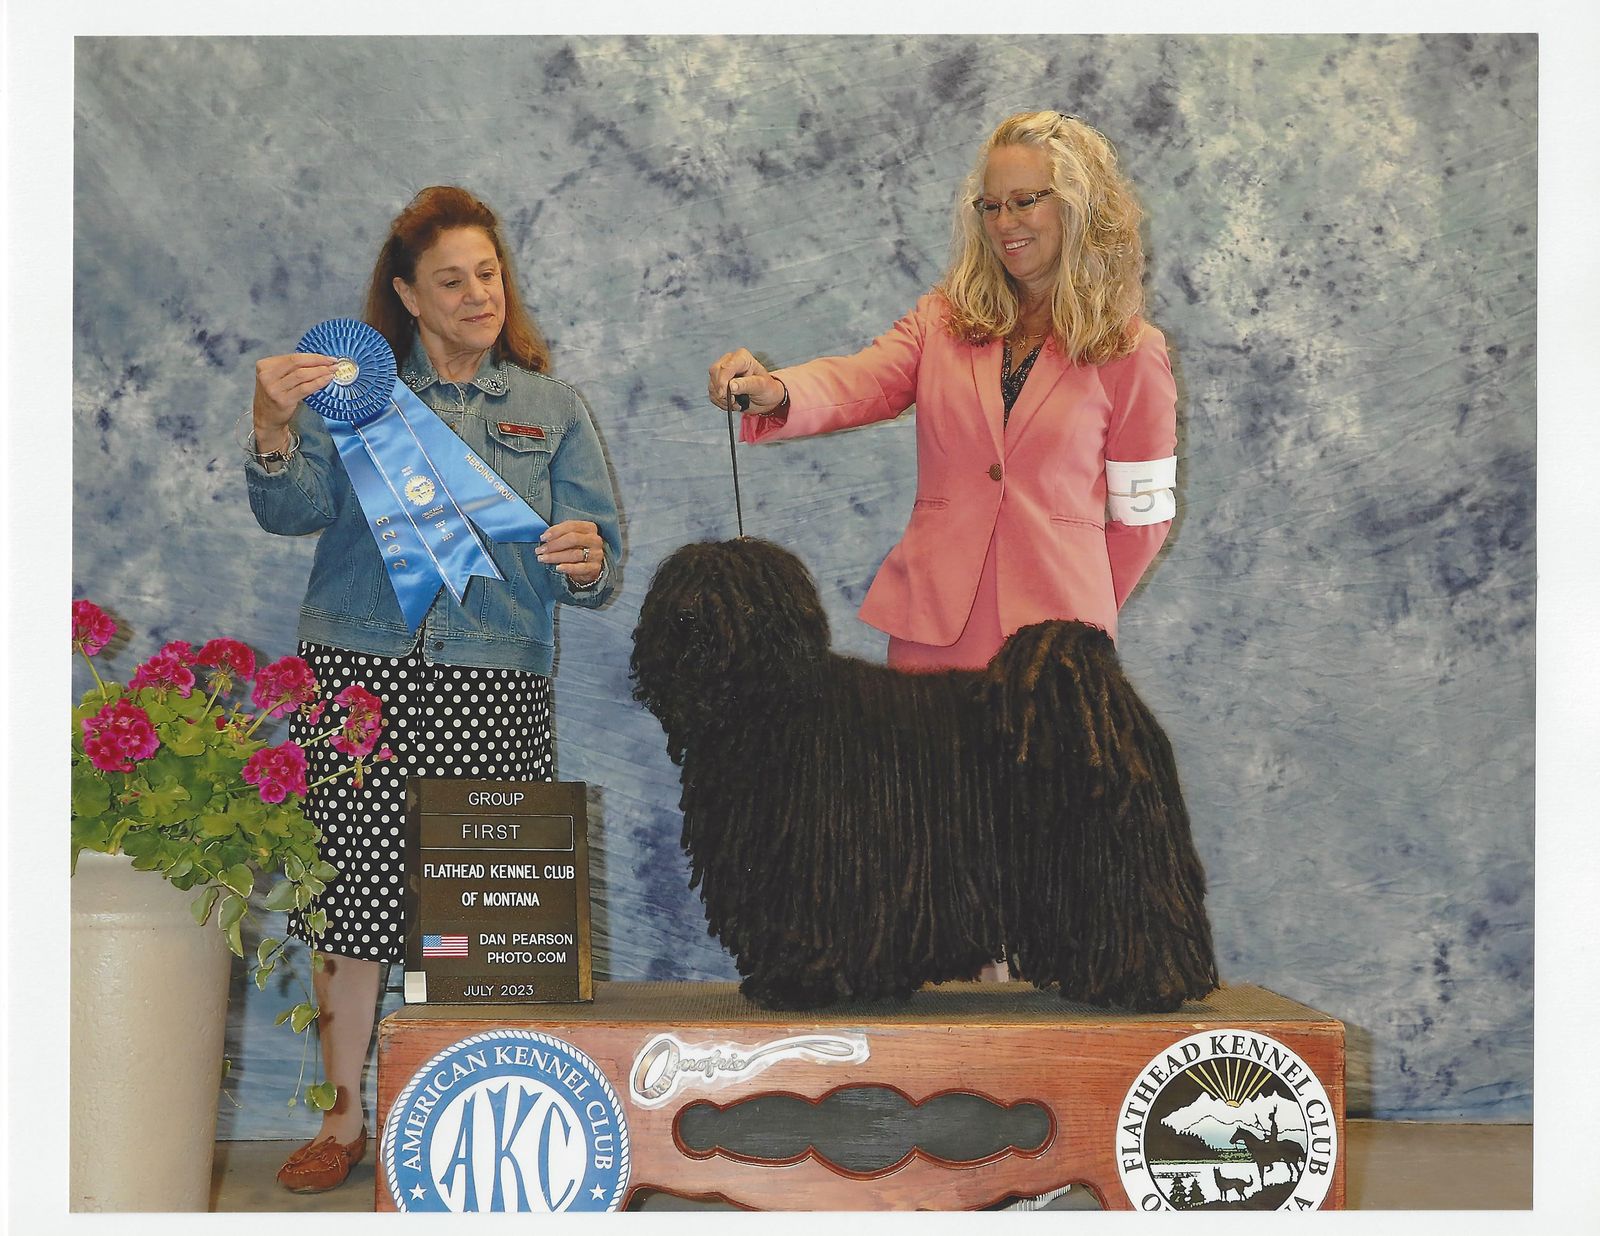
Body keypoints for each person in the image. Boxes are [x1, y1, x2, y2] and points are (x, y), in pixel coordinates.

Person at [707, 110, 1178, 984]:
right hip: (935, 636)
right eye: (991, 205)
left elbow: (1144, 515)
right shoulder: (943, 321)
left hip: (1052, 667)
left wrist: (1077, 628)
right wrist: (776, 389)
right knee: (930, 876)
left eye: (1027, 201)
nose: (1006, 223)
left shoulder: (1133, 352)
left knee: (1057, 881)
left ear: (1080, 206)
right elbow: (859, 380)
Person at [244, 185, 621, 1192]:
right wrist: (272, 427)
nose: (477, 295)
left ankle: (464, 1121)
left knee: (482, 917)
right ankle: (341, 1122)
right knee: (349, 904)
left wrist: (587, 558)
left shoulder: (553, 409)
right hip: (359, 677)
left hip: (493, 683)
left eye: (488, 274)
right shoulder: (351, 395)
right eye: (450, 281)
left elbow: (596, 564)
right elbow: (291, 510)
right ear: (407, 296)